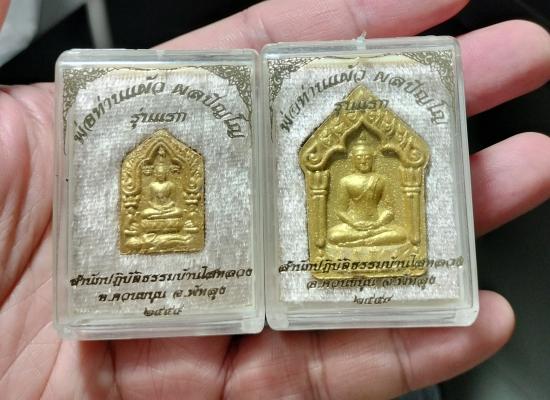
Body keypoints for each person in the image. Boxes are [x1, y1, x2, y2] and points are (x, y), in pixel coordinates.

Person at [0, 0, 549, 398]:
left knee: (379, 231)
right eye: (357, 157)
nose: (361, 164)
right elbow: (337, 215)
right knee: (326, 233)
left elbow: (381, 213)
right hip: (275, 238)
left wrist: (375, 223)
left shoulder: (373, 174)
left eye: (365, 158)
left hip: (374, 236)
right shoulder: (163, 176)